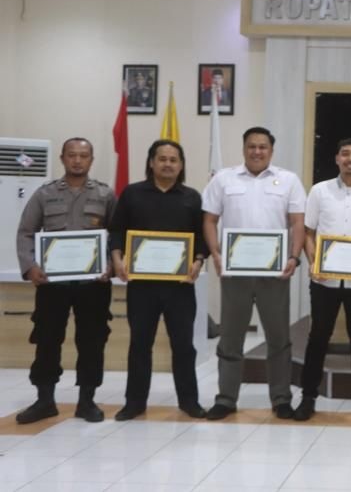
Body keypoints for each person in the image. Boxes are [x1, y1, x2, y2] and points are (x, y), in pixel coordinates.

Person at [202, 126, 306, 420]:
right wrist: (216, 254)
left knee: (278, 338)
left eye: (263, 147)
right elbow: (209, 220)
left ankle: (281, 399)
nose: (257, 151)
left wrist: (293, 257)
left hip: (275, 273)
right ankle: (226, 399)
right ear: (244, 148)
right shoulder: (224, 179)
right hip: (235, 272)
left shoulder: (288, 180)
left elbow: (297, 222)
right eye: (252, 146)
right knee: (231, 338)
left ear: (271, 151)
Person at [14, 138, 117, 425]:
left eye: (84, 155)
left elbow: (117, 235)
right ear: (62, 158)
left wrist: (110, 266)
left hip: (93, 285)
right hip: (52, 284)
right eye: (72, 155)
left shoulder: (106, 195)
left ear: (91, 160)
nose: (77, 160)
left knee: (92, 341)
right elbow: (26, 232)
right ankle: (45, 400)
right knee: (47, 339)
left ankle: (87, 401)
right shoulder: (44, 194)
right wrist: (30, 267)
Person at [108, 139, 208, 421]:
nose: (167, 164)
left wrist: (198, 260)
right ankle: (134, 403)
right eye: (162, 159)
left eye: (173, 160)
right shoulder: (132, 194)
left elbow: (201, 236)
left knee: (183, 345)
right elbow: (117, 231)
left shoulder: (191, 197)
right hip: (142, 286)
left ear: (181, 165)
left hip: (180, 287)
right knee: (140, 343)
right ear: (151, 162)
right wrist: (117, 259)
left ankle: (189, 401)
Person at [294, 138, 351, 422]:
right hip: (325, 282)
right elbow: (308, 232)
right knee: (318, 337)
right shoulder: (319, 191)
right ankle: (308, 397)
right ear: (337, 159)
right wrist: (313, 263)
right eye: (345, 154)